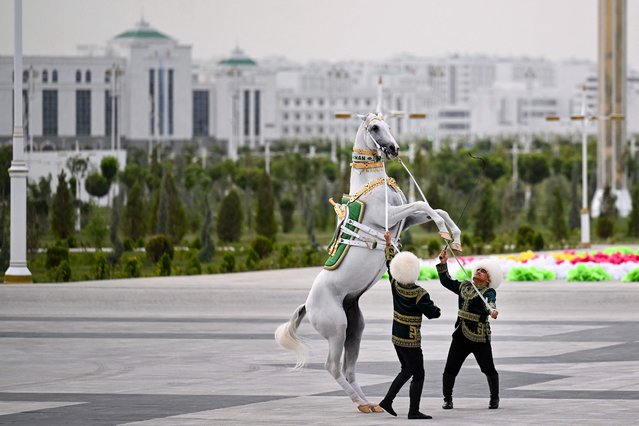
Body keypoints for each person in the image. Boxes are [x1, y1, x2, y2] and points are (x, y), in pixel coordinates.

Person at [378, 231, 441, 420]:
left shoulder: (394, 285)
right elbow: (433, 314)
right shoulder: (420, 293)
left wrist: (388, 243)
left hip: (396, 335)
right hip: (411, 339)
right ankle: (413, 411)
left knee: (406, 370)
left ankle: (387, 401)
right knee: (419, 374)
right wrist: (437, 309)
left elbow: (390, 264)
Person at [436, 248, 502, 410]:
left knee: (488, 368)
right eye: (478, 270)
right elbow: (446, 281)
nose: (479, 272)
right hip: (460, 334)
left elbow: (490, 303)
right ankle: (447, 398)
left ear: (488, 280)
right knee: (450, 367)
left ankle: (494, 398)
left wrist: (492, 310)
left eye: (483, 272)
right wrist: (443, 263)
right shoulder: (464, 286)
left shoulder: (488, 291)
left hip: (479, 336)